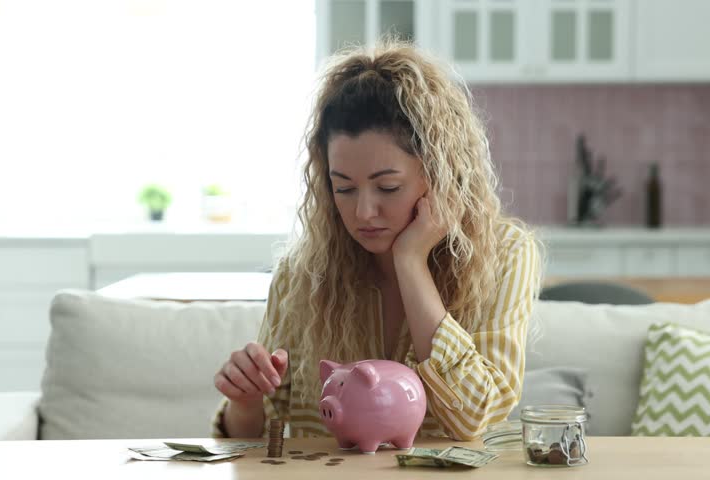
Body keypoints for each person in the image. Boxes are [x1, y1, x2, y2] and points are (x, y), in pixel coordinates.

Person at [212, 39, 541, 441]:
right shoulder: (304, 274)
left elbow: (472, 418)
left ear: (439, 173)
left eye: (387, 187)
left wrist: (411, 262)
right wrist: (244, 400)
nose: (364, 212)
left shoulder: (505, 254)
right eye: (344, 188)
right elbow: (263, 438)